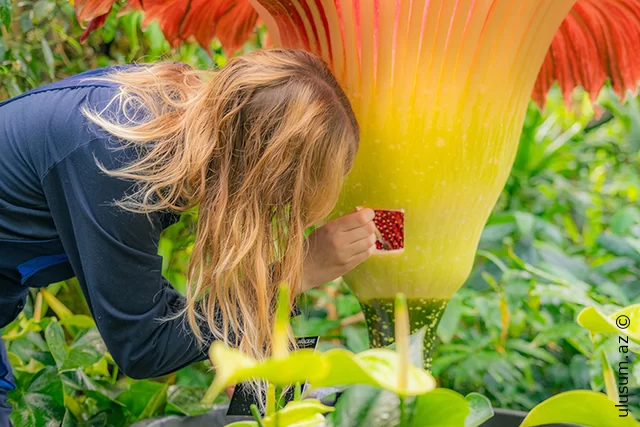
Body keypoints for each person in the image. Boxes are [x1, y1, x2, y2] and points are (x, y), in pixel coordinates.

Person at [0, 48, 378, 426]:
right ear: (260, 171)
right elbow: (143, 344)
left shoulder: (169, 117)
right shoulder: (119, 155)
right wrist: (293, 276)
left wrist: (236, 339)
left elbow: (144, 297)